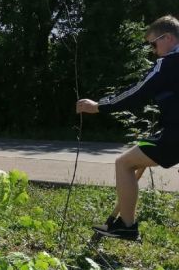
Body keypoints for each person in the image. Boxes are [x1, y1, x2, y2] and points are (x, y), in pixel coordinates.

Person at [76, 15, 179, 241]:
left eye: (153, 43)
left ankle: (127, 226)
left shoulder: (169, 63)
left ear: (168, 38)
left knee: (124, 163)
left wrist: (100, 106)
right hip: (171, 131)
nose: (152, 50)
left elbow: (138, 92)